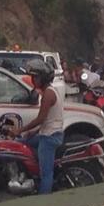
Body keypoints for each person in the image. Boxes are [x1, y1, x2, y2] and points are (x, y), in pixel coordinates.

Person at [16, 63, 64, 194]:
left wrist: (21, 130)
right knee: (21, 143)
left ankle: (43, 201)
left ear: (43, 78)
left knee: (46, 173)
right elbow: (48, 119)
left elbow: (40, 119)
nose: (33, 80)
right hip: (46, 133)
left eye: (35, 77)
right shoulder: (49, 91)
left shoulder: (48, 94)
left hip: (50, 137)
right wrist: (32, 132)